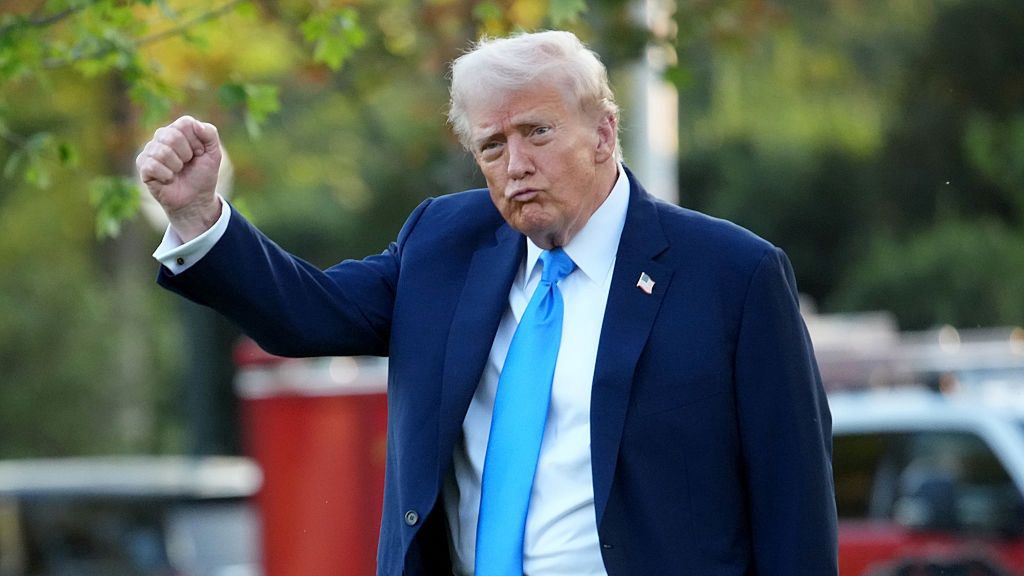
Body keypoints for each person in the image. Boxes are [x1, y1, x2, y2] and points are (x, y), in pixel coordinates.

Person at [137, 30, 837, 576]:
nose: (515, 166)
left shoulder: (732, 276)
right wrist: (201, 216)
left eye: (537, 132)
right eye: (492, 145)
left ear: (603, 132)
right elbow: (303, 312)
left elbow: (794, 507)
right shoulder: (444, 245)